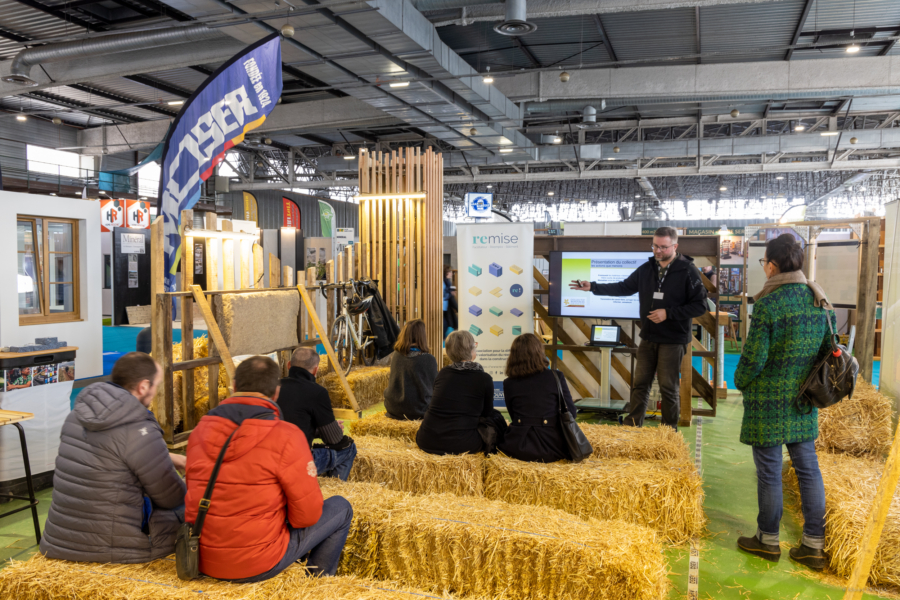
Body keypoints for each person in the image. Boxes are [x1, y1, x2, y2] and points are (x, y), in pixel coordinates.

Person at [184, 356, 352, 582]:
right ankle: (316, 584)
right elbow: (307, 516)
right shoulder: (286, 436)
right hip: (257, 562)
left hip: (201, 558)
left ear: (233, 387)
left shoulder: (199, 430)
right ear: (276, 393)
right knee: (341, 508)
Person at [734, 234, 833, 571]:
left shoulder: (768, 304)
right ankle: (813, 546)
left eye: (764, 262)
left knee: (770, 474)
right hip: (803, 402)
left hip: (767, 405)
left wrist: (740, 380)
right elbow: (827, 352)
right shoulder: (817, 298)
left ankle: (768, 541)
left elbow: (754, 359)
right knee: (808, 471)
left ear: (772, 265)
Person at [40, 352, 186, 563]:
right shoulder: (139, 427)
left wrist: (168, 457)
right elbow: (170, 497)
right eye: (156, 385)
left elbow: (109, 452)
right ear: (144, 386)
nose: (156, 391)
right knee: (189, 509)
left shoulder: (75, 416)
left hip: (59, 541)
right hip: (115, 549)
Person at [569, 226, 708, 429]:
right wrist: (593, 286)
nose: (657, 251)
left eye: (663, 247)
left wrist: (668, 313)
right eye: (654, 246)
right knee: (639, 385)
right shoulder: (647, 268)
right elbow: (624, 287)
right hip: (649, 337)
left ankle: (669, 431)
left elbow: (700, 306)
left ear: (675, 246)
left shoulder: (688, 271)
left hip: (673, 339)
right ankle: (632, 426)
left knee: (668, 387)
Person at [416, 330, 507, 455]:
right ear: (471, 350)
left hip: (426, 439)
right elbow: (487, 413)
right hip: (462, 444)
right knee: (497, 418)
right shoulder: (484, 378)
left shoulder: (443, 373)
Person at [279, 347, 357, 481]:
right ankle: (335, 489)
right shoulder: (317, 392)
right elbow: (333, 439)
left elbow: (294, 423)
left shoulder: (274, 387)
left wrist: (318, 430)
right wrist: (332, 429)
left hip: (271, 460)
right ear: (316, 370)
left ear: (289, 365)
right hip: (298, 464)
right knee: (349, 448)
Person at [498, 333, 578, 462]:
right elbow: (571, 413)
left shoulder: (509, 383)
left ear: (513, 356)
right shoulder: (556, 376)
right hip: (554, 447)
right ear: (539, 352)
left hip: (517, 447)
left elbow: (514, 416)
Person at [383, 319, 439, 420]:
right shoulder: (428, 359)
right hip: (418, 411)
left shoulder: (396, 355)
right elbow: (435, 387)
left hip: (393, 409)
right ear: (422, 336)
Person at [443, 265, 458, 335]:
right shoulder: (443, 282)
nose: (452, 274)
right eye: (450, 272)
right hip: (442, 309)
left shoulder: (447, 282)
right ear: (445, 272)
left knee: (449, 325)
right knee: (446, 326)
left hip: (446, 309)